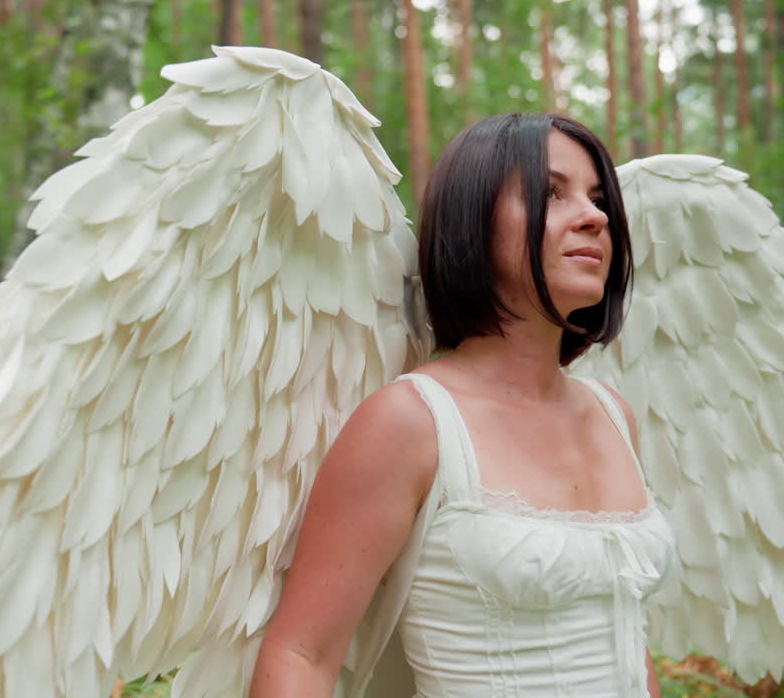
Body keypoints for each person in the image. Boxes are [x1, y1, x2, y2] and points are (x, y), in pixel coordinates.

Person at [249, 113, 676, 698]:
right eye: (551, 193)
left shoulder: (613, 415)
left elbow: (626, 635)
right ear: (473, 225)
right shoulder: (412, 422)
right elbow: (302, 655)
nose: (596, 216)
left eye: (599, 198)